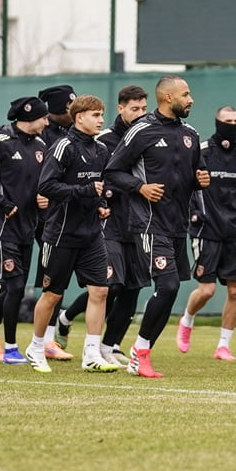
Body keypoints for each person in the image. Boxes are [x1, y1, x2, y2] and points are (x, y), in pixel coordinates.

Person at [103, 76, 210, 378]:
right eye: (185, 94)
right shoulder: (141, 130)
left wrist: (200, 178)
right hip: (149, 223)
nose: (191, 100)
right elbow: (112, 172)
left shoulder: (190, 133)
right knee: (168, 286)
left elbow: (192, 174)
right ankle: (139, 353)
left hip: (178, 225)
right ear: (166, 97)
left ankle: (141, 350)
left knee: (171, 291)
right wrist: (140, 187)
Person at [24, 95, 120, 373]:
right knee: (53, 295)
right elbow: (47, 187)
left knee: (101, 290)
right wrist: (85, 192)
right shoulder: (63, 147)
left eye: (102, 115)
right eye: (95, 115)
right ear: (79, 117)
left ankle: (91, 353)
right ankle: (36, 347)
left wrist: (101, 205)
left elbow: (99, 187)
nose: (101, 120)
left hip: (91, 235)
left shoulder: (101, 150)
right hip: (61, 235)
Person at [177, 106, 236, 360]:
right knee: (207, 290)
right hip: (205, 229)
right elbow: (182, 183)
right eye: (227, 121)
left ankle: (223, 346)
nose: (232, 125)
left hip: (232, 231)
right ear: (217, 123)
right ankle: (187, 320)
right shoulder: (202, 152)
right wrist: (191, 213)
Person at [0, 96, 50, 365]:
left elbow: (43, 184)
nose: (47, 122)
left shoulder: (40, 145)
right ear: (29, 118)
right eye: (43, 117)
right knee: (14, 287)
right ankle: (11, 348)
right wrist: (2, 202)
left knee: (14, 288)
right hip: (1, 229)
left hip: (28, 227)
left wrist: (44, 198)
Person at [86, 84, 151, 366]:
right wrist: (99, 204)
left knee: (133, 286)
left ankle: (111, 344)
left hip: (138, 223)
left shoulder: (149, 136)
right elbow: (95, 177)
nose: (139, 114)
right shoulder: (105, 140)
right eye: (133, 109)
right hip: (109, 223)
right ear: (121, 108)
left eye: (143, 109)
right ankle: (93, 344)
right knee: (110, 285)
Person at [32, 83, 79, 359]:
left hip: (59, 217)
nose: (71, 113)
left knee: (54, 283)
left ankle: (48, 339)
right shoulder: (41, 135)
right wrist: (37, 196)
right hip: (35, 218)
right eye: (66, 109)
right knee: (41, 284)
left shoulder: (68, 134)